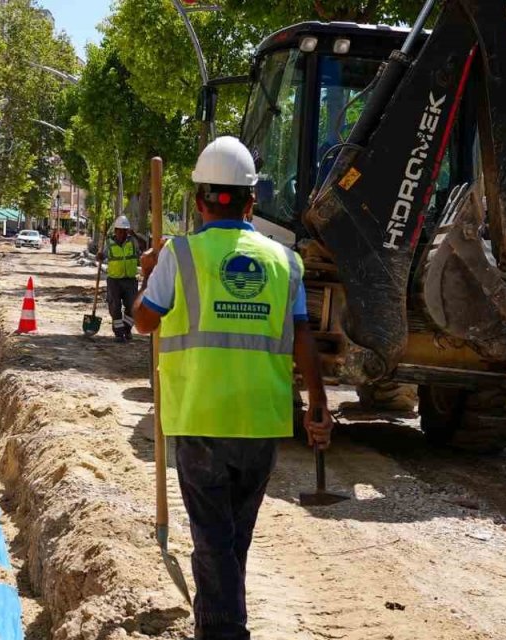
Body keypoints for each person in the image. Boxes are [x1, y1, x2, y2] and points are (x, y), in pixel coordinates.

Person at [131, 136, 333, 640]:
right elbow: (303, 334)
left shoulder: (178, 255)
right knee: (233, 538)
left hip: (200, 420)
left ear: (200, 201)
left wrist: (147, 274)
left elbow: (142, 322)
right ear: (252, 200)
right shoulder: (286, 261)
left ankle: (225, 631)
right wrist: (317, 404)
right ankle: (217, 623)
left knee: (213, 540)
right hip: (262, 422)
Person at [97, 215, 145, 342]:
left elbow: (144, 244)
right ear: (115, 230)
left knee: (132, 307)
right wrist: (100, 256)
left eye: (124, 231)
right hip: (114, 281)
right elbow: (103, 256)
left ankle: (126, 329)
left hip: (130, 280)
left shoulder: (133, 241)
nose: (122, 233)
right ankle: (119, 334)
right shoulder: (109, 243)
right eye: (120, 230)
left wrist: (134, 234)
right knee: (115, 307)